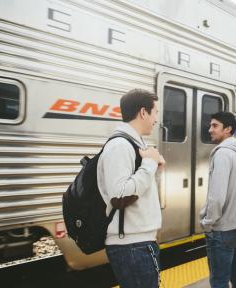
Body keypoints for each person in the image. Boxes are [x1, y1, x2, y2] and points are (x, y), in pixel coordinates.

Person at [97, 89, 165, 288]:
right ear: (143, 112)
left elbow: (138, 190)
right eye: (155, 113)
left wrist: (153, 166)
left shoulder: (134, 144)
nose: (156, 119)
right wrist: (149, 165)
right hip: (132, 246)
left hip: (137, 243)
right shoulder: (120, 145)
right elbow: (119, 195)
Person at [199, 111, 236, 288]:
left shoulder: (221, 154)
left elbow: (217, 196)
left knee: (219, 280)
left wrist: (208, 221)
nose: (210, 129)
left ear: (228, 129)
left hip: (222, 229)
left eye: (215, 126)